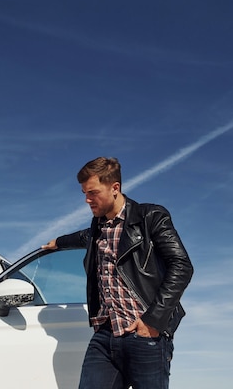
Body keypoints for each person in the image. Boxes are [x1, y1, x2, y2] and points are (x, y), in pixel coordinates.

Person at [42, 157, 193, 389]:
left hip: (144, 334)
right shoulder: (97, 229)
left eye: (92, 192)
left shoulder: (150, 217)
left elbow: (182, 266)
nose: (86, 199)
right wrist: (58, 242)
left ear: (115, 188)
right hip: (105, 335)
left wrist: (153, 320)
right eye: (84, 193)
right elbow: (81, 237)